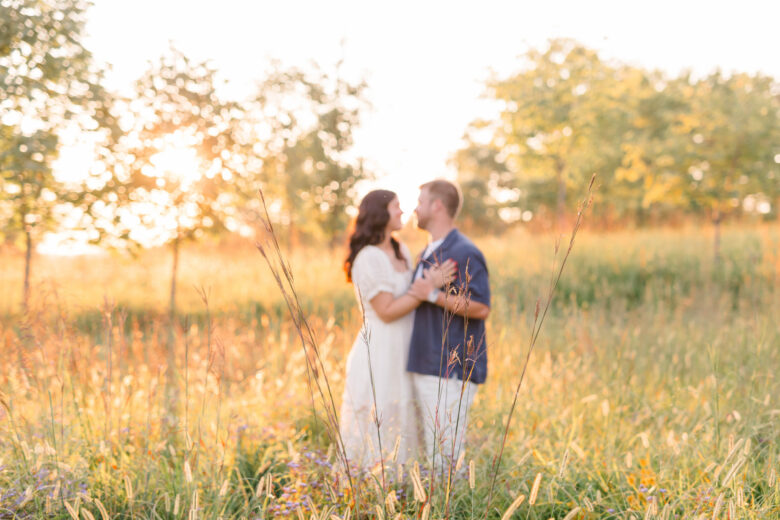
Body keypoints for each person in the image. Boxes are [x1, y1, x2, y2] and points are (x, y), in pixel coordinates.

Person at [339, 189, 455, 468]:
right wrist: (428, 288)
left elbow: (409, 296)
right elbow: (387, 311)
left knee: (406, 415)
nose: (402, 212)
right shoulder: (368, 257)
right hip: (380, 348)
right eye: (396, 207)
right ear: (380, 214)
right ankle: (375, 486)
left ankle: (405, 488)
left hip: (407, 345)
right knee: (383, 416)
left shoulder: (400, 249)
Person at [407, 179, 491, 472]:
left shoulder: (463, 251)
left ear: (437, 205)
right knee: (430, 454)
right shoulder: (428, 251)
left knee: (445, 457)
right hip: (425, 363)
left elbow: (481, 307)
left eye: (420, 202)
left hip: (448, 369)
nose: (415, 208)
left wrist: (432, 294)